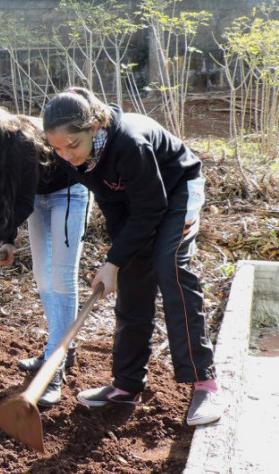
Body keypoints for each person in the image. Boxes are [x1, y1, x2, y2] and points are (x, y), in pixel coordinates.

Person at [42, 87, 221, 426]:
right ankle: (127, 385)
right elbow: (113, 208)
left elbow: (152, 207)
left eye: (72, 145)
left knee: (169, 268)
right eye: (57, 148)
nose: (65, 155)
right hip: (139, 203)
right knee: (132, 278)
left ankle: (205, 382)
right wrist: (118, 261)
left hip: (178, 188)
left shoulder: (130, 143)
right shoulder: (76, 157)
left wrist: (112, 261)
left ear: (94, 127)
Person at [0, 92, 90, 406]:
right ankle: (61, 346)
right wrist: (7, 239)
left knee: (61, 278)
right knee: (42, 276)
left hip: (68, 192)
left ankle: (53, 369)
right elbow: (7, 192)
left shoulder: (21, 141)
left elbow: (21, 202)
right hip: (39, 198)